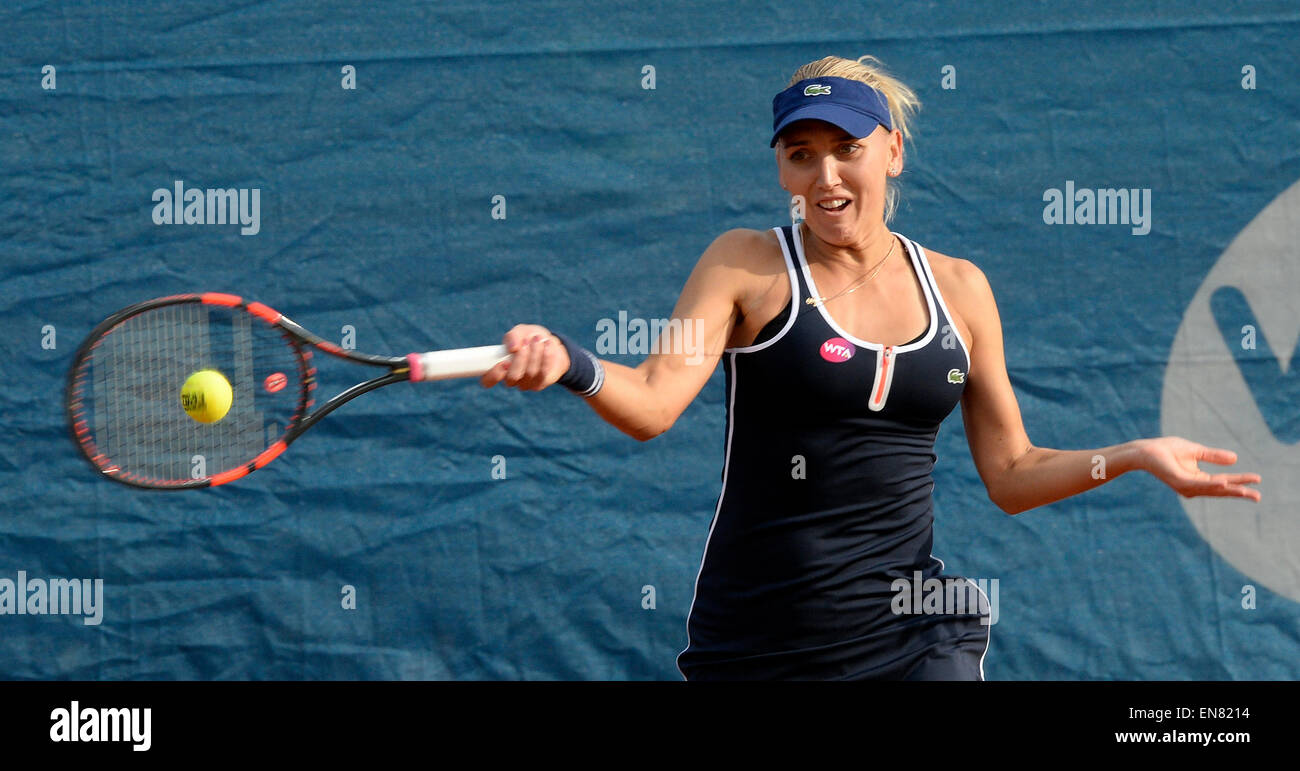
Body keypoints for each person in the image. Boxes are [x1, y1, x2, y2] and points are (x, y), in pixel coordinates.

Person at [478, 55, 1262, 680]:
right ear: (782, 170)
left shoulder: (960, 289)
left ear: (892, 151)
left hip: (913, 631)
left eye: (848, 150)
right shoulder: (743, 265)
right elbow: (651, 400)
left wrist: (1130, 456)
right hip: (759, 635)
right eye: (802, 155)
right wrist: (572, 365)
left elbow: (1013, 471)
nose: (826, 177)